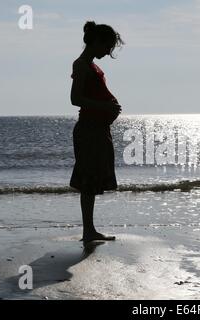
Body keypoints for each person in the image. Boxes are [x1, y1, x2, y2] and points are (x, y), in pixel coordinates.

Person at [69, 21, 124, 244]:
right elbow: (75, 99)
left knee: (92, 179)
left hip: (98, 129)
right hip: (89, 129)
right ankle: (88, 231)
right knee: (88, 180)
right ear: (97, 41)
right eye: (107, 46)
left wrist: (110, 107)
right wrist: (105, 107)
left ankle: (89, 229)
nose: (108, 52)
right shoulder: (81, 64)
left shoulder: (94, 66)